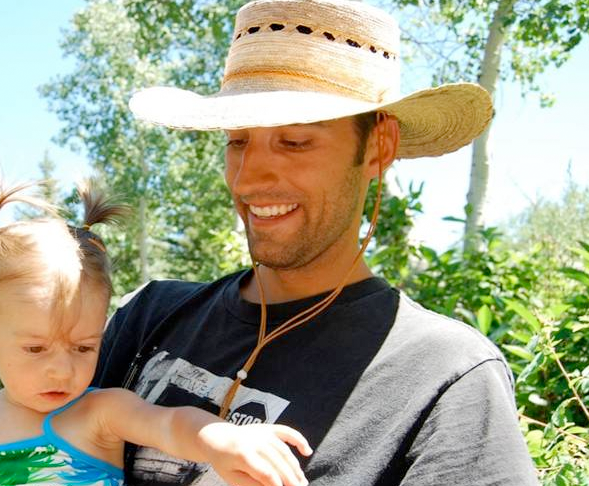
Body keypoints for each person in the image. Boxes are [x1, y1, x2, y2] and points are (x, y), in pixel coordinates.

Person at [94, 0, 538, 485]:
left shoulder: (444, 375)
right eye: (237, 141)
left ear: (378, 147)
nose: (248, 179)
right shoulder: (150, 315)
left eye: (295, 142)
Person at [0, 176, 312, 486]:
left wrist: (220, 438)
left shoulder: (101, 411)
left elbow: (170, 425)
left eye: (83, 348)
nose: (62, 370)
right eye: (36, 349)